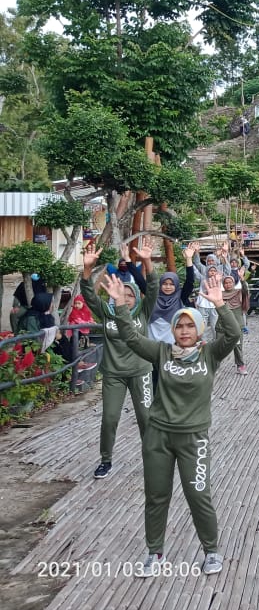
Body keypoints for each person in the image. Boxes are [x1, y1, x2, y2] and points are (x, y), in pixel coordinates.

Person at [101, 272, 240, 578]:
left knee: (198, 494)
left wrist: (220, 305)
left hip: (194, 438)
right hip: (158, 436)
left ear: (199, 329)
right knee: (156, 495)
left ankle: (211, 550)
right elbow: (132, 337)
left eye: (190, 325)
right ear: (173, 330)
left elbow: (231, 335)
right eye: (179, 325)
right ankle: (154, 552)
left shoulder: (210, 354)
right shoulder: (161, 352)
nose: (185, 330)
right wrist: (119, 304)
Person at [80, 238, 158, 480]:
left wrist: (146, 261)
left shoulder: (144, 311)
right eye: (118, 295)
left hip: (141, 371)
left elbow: (154, 287)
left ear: (135, 297)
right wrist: (87, 269)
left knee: (146, 418)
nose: (123, 299)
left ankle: (154, 460)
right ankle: (106, 460)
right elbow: (88, 296)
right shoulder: (107, 313)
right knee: (110, 418)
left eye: (129, 295)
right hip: (113, 373)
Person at [148, 242, 197, 344]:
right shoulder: (153, 298)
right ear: (160, 284)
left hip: (173, 346)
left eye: (171, 284)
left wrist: (189, 259)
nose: (168, 287)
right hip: (152, 345)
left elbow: (190, 281)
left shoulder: (180, 297)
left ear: (176, 285)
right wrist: (146, 259)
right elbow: (143, 281)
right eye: (165, 283)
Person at [221, 275, 248, 375]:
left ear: (233, 283)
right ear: (223, 284)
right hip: (224, 325)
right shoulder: (220, 295)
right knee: (219, 346)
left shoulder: (238, 293)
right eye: (226, 283)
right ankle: (213, 365)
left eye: (230, 282)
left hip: (237, 325)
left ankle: (240, 365)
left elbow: (245, 291)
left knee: (238, 346)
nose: (228, 284)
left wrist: (242, 279)